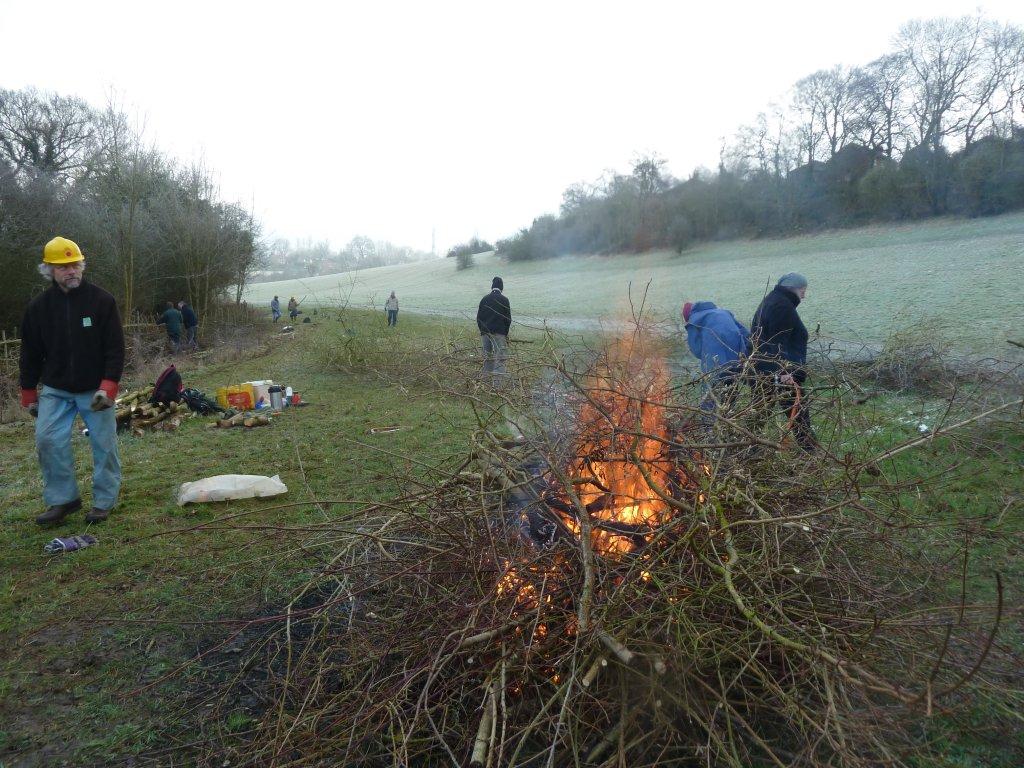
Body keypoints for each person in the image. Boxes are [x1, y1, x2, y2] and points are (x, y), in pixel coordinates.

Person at [19, 236, 125, 525]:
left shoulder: (102, 301)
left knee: (104, 444)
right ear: (49, 270)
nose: (72, 271)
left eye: (75, 264)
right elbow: (30, 352)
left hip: (96, 389)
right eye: (64, 267)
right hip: (56, 389)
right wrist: (28, 391)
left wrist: (109, 385)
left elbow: (115, 348)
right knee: (47, 440)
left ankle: (104, 501)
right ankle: (63, 500)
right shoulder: (39, 308)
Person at [750, 272, 817, 451]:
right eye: (803, 290)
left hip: (765, 369)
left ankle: (747, 449)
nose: (804, 294)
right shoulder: (782, 306)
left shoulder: (774, 300)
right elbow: (776, 341)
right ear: (793, 288)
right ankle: (812, 455)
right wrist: (784, 372)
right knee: (799, 414)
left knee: (760, 413)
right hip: (779, 373)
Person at [683, 300, 751, 416]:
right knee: (730, 389)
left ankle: (709, 427)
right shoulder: (723, 312)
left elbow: (697, 350)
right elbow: (746, 333)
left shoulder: (693, 320)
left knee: (711, 393)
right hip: (736, 358)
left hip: (715, 361)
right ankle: (728, 419)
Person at [476, 276, 511, 386]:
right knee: (499, 357)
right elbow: (508, 319)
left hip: (485, 333)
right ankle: (497, 385)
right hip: (499, 333)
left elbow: (479, 318)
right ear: (502, 287)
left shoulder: (484, 299)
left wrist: (483, 331)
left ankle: (485, 382)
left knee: (488, 357)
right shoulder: (504, 300)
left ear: (492, 287)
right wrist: (505, 333)